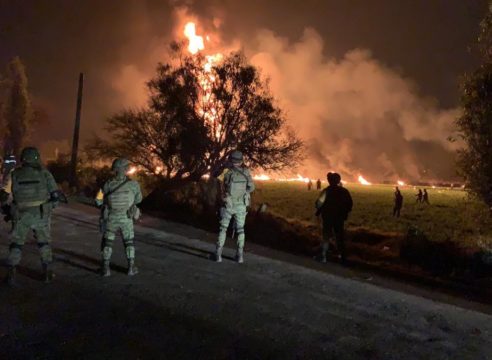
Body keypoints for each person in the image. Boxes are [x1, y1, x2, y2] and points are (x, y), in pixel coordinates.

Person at [1, 147, 59, 286]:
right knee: (43, 243)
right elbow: (55, 197)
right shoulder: (45, 174)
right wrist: (49, 208)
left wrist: (7, 210)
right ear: (37, 158)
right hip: (40, 214)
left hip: (20, 214)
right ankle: (46, 272)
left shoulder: (14, 174)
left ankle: (11, 274)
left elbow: (3, 195)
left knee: (16, 244)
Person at [95, 158, 142, 277]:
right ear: (125, 169)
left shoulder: (107, 184)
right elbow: (138, 199)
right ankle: (131, 267)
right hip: (127, 218)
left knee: (108, 242)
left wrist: (104, 205)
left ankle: (105, 269)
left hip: (111, 218)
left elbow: (98, 199)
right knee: (129, 242)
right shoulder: (133, 184)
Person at [215, 150, 255, 263]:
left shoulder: (226, 171)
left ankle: (218, 255)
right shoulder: (246, 172)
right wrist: (243, 193)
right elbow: (252, 188)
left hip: (228, 204)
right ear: (241, 160)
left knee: (223, 229)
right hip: (241, 205)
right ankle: (240, 256)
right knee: (240, 230)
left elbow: (218, 181)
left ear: (230, 160)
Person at [315, 172, 353, 263]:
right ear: (338, 181)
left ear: (329, 181)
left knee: (326, 236)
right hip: (339, 218)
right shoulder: (344, 191)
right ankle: (342, 257)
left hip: (327, 218)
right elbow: (350, 204)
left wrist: (319, 210)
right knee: (339, 236)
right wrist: (344, 213)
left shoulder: (326, 191)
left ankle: (325, 255)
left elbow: (318, 204)